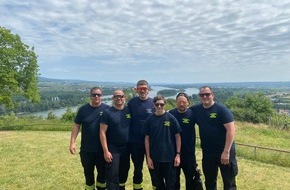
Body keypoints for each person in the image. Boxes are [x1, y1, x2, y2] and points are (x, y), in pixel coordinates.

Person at [190, 86, 238, 190]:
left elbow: (231, 130)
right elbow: (182, 112)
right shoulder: (196, 109)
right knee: (210, 181)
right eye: (202, 95)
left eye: (207, 94)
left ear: (212, 95)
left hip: (224, 151)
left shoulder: (222, 110)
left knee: (229, 182)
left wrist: (226, 152)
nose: (205, 97)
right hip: (208, 153)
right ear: (199, 97)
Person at [69, 87, 109, 190]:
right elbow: (76, 126)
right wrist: (72, 143)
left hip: (102, 150)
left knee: (102, 177)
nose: (96, 96)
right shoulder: (83, 109)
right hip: (87, 150)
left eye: (98, 95)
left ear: (101, 96)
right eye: (94, 94)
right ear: (90, 96)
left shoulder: (107, 109)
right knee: (88, 176)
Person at [144, 95, 182, 190]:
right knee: (158, 185)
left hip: (170, 159)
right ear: (154, 105)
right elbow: (147, 139)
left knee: (171, 185)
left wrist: (178, 154)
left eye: (161, 104)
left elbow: (178, 136)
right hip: (155, 158)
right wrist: (148, 157)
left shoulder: (171, 118)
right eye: (157, 104)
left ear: (165, 104)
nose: (159, 106)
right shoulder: (149, 120)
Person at [169, 92, 203, 190]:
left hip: (189, 153)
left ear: (188, 103)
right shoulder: (171, 114)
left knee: (190, 179)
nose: (182, 104)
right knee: (174, 179)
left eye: (184, 102)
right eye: (179, 102)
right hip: (173, 153)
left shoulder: (192, 114)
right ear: (176, 103)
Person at [99, 89, 131, 190]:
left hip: (126, 149)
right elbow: (102, 132)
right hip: (113, 149)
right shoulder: (107, 113)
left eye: (121, 96)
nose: (119, 98)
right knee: (112, 175)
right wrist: (106, 151)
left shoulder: (129, 110)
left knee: (124, 173)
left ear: (124, 97)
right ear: (113, 98)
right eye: (116, 96)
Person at [128, 79, 155, 190]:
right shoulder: (131, 103)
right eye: (140, 88)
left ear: (148, 90)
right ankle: (137, 188)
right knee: (137, 168)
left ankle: (156, 187)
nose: (142, 90)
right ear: (137, 89)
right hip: (136, 142)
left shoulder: (154, 103)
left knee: (153, 168)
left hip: (152, 142)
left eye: (144, 88)